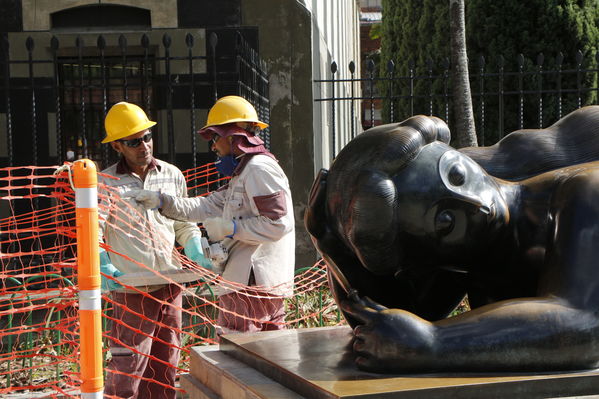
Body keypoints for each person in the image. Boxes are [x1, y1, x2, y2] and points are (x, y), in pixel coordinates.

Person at [305, 106, 599, 373]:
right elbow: (394, 325)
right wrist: (333, 248)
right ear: (427, 260)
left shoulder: (585, 189)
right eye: (446, 221)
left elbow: (584, 326)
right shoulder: (469, 258)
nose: (474, 203)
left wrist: (436, 340)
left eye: (456, 174)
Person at [127, 95, 295, 335]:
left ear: (233, 137)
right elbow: (203, 206)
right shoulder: (244, 172)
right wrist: (163, 201)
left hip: (253, 284)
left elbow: (278, 224)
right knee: (264, 357)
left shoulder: (259, 169)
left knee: (240, 357)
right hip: (247, 283)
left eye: (215, 138)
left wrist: (231, 229)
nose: (213, 146)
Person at [98, 101, 211, 399]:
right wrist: (103, 264)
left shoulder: (172, 175)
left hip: (171, 284)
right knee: (128, 366)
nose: (143, 146)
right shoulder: (105, 183)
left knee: (166, 363)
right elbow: (94, 233)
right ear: (118, 147)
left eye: (146, 137)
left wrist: (194, 246)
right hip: (132, 288)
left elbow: (184, 223)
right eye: (133, 141)